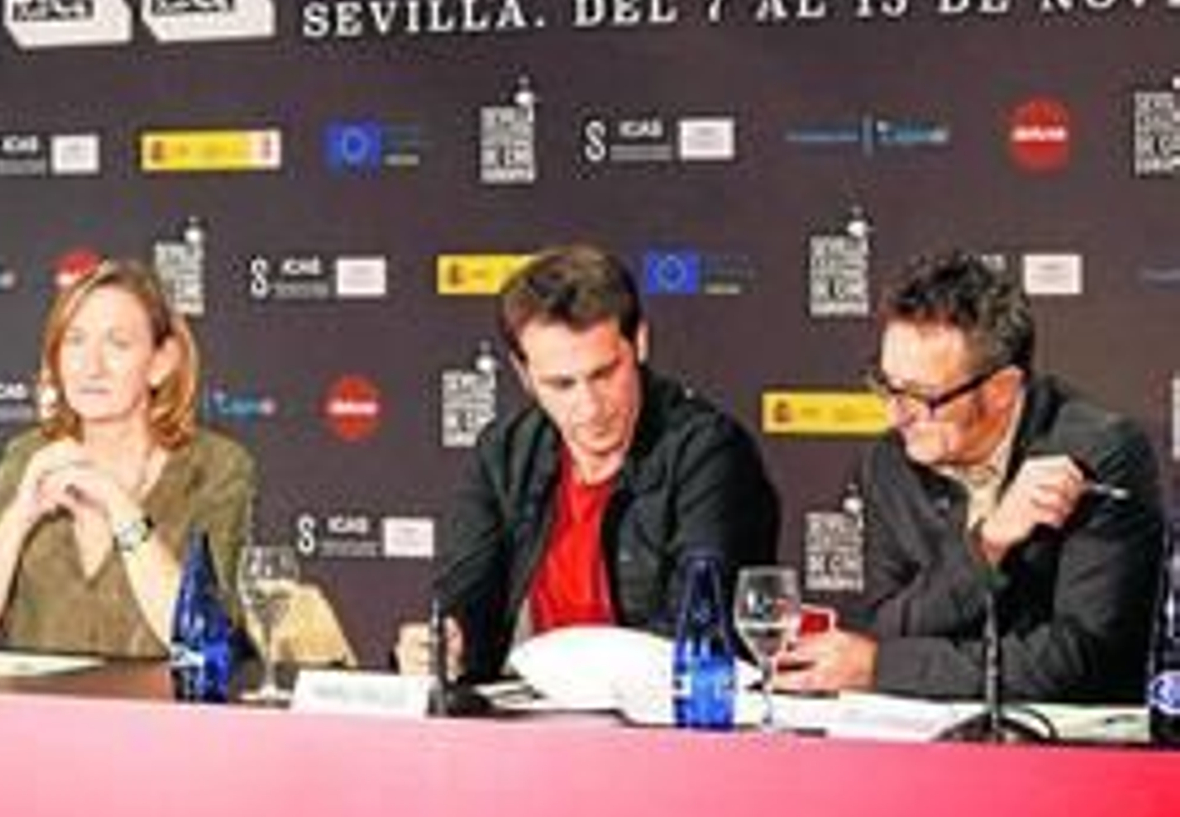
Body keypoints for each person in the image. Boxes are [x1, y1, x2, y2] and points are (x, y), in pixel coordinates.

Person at [777, 250, 1165, 703]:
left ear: (1001, 391)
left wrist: (883, 668)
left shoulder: (1100, 452)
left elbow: (1079, 661)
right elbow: (891, 624)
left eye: (921, 396)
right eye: (886, 384)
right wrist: (988, 545)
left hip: (1075, 752)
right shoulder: (888, 462)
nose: (894, 414)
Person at [401, 244, 780, 682]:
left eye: (603, 374)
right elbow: (466, 600)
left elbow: (700, 631)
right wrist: (447, 647)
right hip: (531, 720)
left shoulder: (709, 452)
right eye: (561, 384)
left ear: (639, 343)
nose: (589, 406)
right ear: (524, 375)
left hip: (658, 727)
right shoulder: (504, 452)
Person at [0, 258, 256, 656]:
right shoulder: (28, 457)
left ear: (161, 363)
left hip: (163, 717)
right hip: (38, 715)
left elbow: (202, 638)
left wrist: (120, 507)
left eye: (117, 344)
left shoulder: (215, 467)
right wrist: (19, 517)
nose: (91, 366)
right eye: (75, 341)